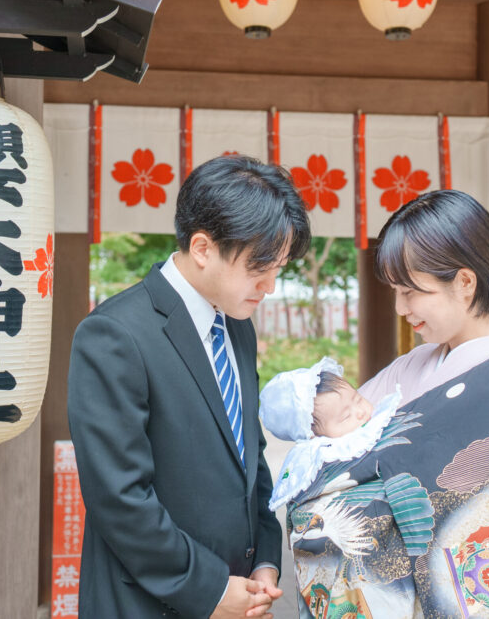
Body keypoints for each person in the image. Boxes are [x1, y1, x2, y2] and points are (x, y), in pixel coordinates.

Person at [283, 190, 489, 618]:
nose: (399, 308)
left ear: (465, 284)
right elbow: (338, 446)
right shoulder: (413, 365)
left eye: (411, 292)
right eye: (395, 291)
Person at [67, 154, 311, 618]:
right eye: (260, 267)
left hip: (242, 595)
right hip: (147, 602)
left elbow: (248, 456)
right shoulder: (115, 334)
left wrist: (264, 560)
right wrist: (213, 589)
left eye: (278, 268)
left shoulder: (237, 326)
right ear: (203, 248)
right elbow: (119, 499)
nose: (270, 286)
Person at [258, 357, 405, 512]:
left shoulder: (378, 420)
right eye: (346, 416)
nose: (361, 412)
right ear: (315, 438)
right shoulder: (325, 455)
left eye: (358, 399)